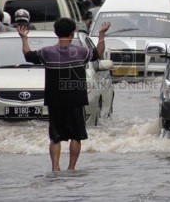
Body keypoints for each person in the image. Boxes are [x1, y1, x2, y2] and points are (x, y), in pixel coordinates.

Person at [18, 17, 111, 171]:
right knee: (76, 136)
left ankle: (55, 168)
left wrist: (24, 39)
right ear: (72, 33)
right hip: (76, 100)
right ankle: (71, 168)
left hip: (55, 100)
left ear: (56, 33)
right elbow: (98, 53)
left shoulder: (46, 52)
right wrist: (101, 34)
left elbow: (28, 55)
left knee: (55, 137)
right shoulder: (81, 52)